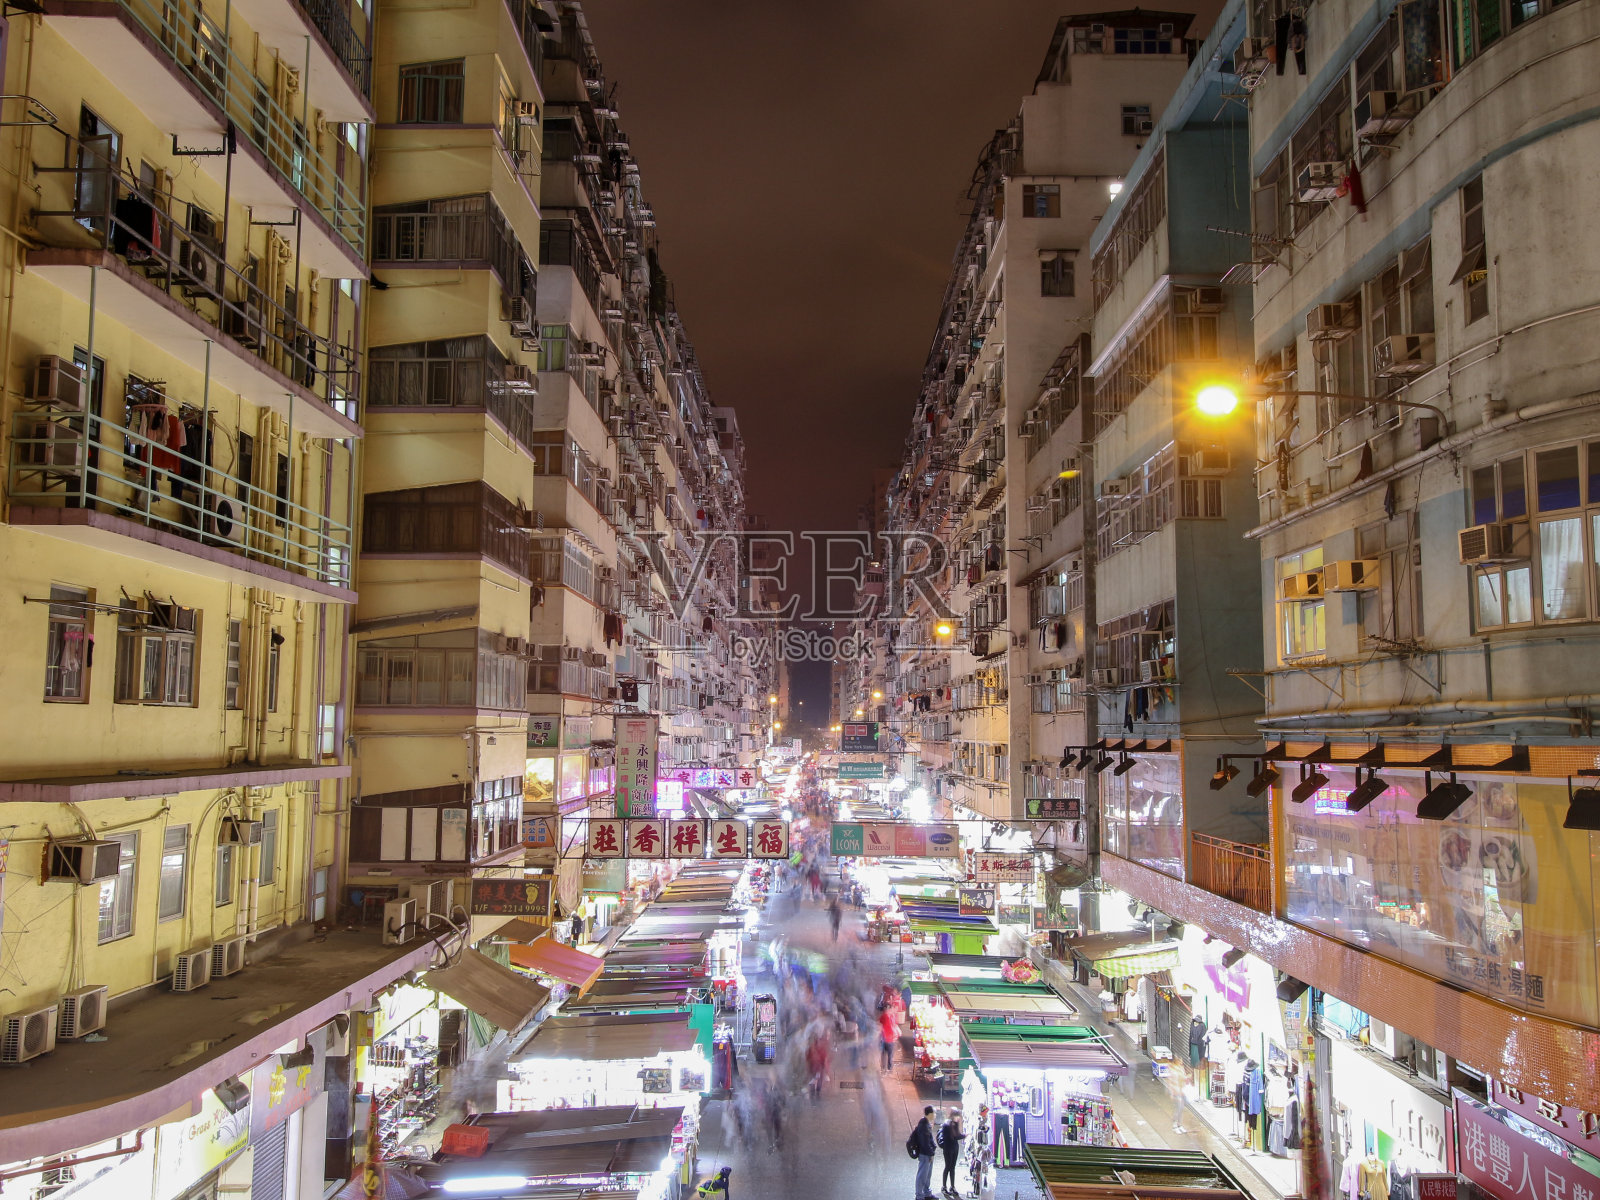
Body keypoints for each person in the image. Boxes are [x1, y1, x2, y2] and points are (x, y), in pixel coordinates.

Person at [910, 1106, 938, 1200]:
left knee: (927, 1176)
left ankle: (926, 1193)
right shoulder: (923, 1126)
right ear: (930, 1114)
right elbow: (925, 1143)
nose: (935, 1115)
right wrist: (931, 1153)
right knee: (922, 1175)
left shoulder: (926, 1124)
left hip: (928, 1154)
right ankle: (919, 1196)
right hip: (925, 1155)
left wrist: (933, 1150)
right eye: (934, 1113)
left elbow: (929, 1140)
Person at [938, 1111, 964, 1197]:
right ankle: (944, 1186)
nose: (958, 1118)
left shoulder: (955, 1124)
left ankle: (952, 1187)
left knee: (952, 1168)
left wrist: (962, 1135)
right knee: (948, 1167)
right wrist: (965, 1135)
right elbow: (954, 1137)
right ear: (953, 1116)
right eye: (957, 1117)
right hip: (948, 1149)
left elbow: (957, 1135)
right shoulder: (947, 1125)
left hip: (954, 1148)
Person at [879, 1001, 899, 1072]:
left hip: (888, 1039)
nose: (887, 1011)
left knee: (886, 1055)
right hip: (887, 1039)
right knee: (887, 1055)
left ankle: (886, 1068)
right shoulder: (888, 1016)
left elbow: (893, 1026)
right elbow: (890, 1027)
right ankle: (886, 1069)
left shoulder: (891, 1016)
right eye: (886, 1009)